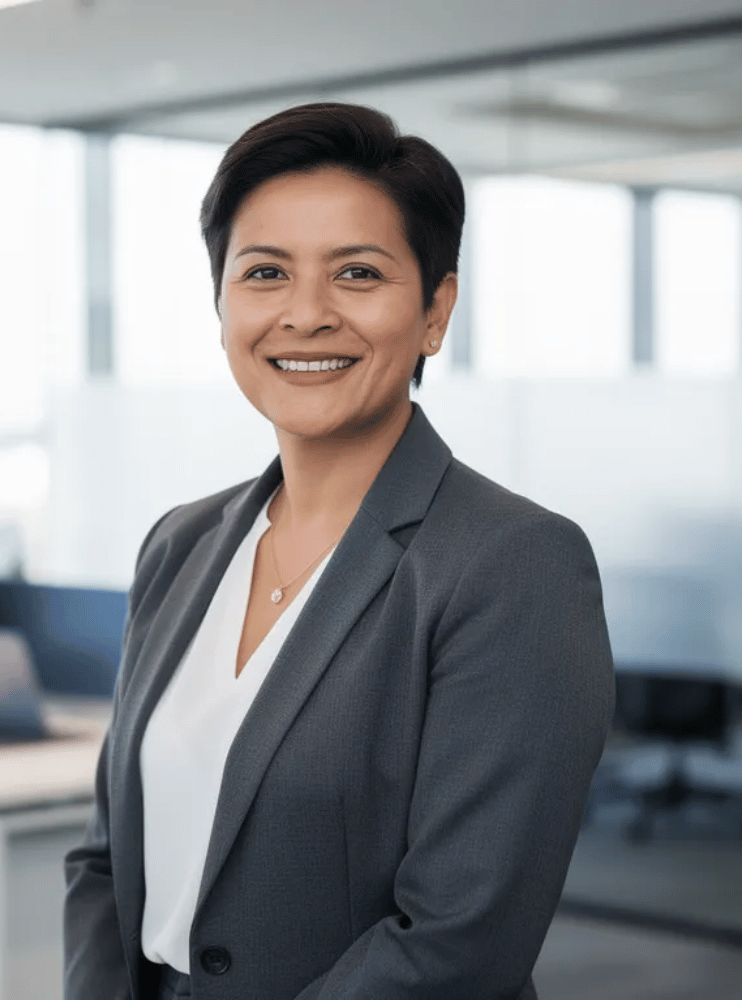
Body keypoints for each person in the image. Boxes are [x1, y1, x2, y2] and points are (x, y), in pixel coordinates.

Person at [64, 102, 614, 1000]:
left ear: (436, 310)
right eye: (265, 273)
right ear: (222, 304)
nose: (306, 315)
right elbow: (105, 858)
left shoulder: (513, 564)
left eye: (357, 273)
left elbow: (460, 940)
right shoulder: (181, 544)